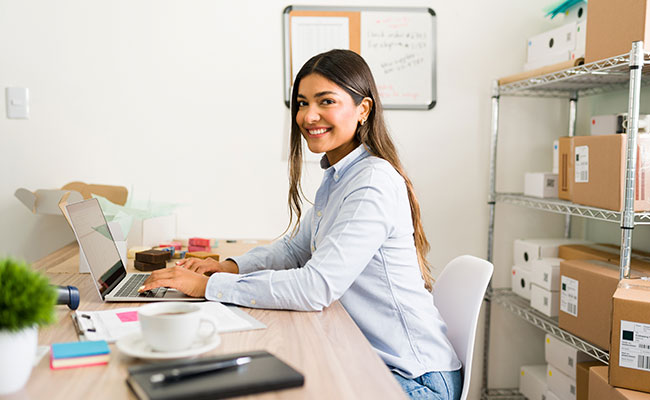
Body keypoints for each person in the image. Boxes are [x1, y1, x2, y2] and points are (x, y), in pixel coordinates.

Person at [140, 49, 462, 400]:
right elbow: (295, 250)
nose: (309, 116)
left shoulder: (372, 182)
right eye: (302, 102)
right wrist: (227, 267)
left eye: (326, 101)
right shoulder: (341, 175)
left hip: (414, 380)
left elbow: (315, 286)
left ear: (363, 109)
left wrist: (210, 287)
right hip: (370, 359)